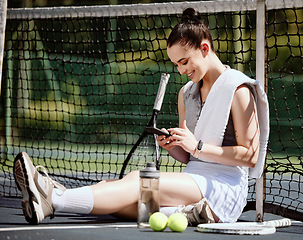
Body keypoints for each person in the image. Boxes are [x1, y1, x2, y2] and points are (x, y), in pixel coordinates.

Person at [13, 8, 268, 225]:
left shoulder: (239, 89)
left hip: (223, 187)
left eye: (184, 61)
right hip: (196, 177)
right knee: (116, 196)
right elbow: (188, 156)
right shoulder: (185, 94)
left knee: (139, 182)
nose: (181, 71)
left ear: (204, 48)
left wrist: (197, 146)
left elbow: (251, 155)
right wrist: (174, 145)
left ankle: (53, 197)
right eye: (176, 64)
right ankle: (188, 213)